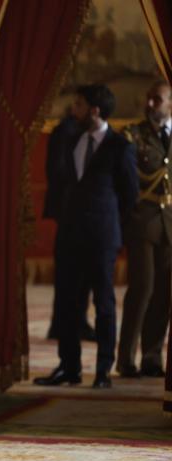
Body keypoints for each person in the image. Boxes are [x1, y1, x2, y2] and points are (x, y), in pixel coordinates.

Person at [34, 84, 138, 389]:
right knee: (67, 302)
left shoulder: (120, 146)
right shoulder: (70, 139)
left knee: (104, 303)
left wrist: (110, 224)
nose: (73, 110)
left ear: (94, 110)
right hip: (69, 234)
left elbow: (129, 194)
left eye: (78, 105)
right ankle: (69, 367)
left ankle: (104, 370)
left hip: (103, 236)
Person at [117, 81, 172, 379]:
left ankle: (152, 356)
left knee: (164, 293)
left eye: (158, 99)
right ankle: (126, 358)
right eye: (149, 99)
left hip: (169, 223)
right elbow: (126, 180)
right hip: (143, 221)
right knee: (142, 289)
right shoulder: (133, 135)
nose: (151, 104)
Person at [44, 111, 96, 342]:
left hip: (83, 214)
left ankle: (75, 321)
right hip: (69, 213)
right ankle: (63, 324)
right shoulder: (66, 132)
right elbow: (58, 171)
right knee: (68, 273)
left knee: (82, 274)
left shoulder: (80, 132)